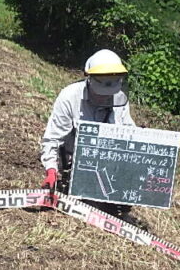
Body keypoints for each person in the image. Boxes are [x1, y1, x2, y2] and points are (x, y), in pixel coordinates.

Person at [40, 49, 134, 200]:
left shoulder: (120, 99)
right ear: (89, 79)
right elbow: (52, 138)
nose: (106, 97)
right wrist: (51, 169)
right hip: (75, 164)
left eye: (110, 92)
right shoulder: (69, 97)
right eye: (101, 91)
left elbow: (128, 131)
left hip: (107, 165)